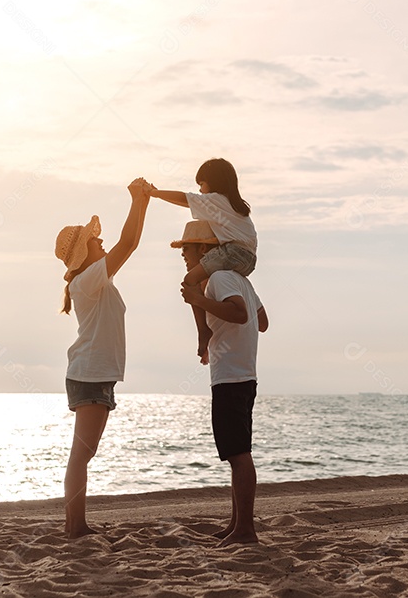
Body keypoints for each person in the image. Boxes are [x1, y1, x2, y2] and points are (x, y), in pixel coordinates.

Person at [54, 178, 150, 538]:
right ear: (83, 253)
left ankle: (75, 524)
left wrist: (143, 202)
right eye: (96, 240)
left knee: (84, 454)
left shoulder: (95, 280)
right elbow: (127, 245)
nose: (102, 241)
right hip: (90, 374)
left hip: (95, 374)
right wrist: (135, 200)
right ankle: (76, 527)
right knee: (81, 455)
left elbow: (131, 243)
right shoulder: (87, 281)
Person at [171, 220, 268, 546]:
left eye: (186, 248)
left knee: (238, 454)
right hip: (245, 374)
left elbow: (239, 314)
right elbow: (262, 321)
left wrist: (200, 302)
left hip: (230, 376)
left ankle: (245, 530)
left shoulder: (220, 277)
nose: (183, 254)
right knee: (237, 451)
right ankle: (237, 523)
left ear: (203, 249)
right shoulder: (238, 279)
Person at [148, 158, 257, 365]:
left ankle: (203, 331)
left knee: (190, 280)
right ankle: (206, 325)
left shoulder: (216, 200)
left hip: (233, 252)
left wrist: (155, 193)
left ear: (213, 182)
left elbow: (184, 199)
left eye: (201, 184)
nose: (201, 190)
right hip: (249, 260)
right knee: (204, 280)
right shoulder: (238, 207)